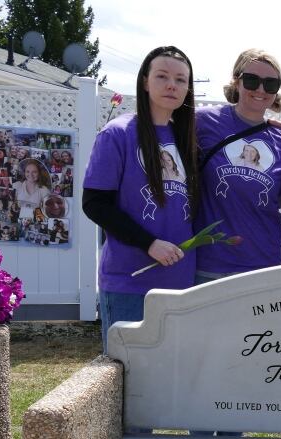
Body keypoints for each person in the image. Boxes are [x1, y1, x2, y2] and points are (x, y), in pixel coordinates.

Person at [82, 46, 200, 354]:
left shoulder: (186, 139)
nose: (171, 85)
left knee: (171, 376)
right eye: (162, 76)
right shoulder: (117, 134)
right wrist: (149, 243)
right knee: (128, 377)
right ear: (145, 81)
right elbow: (95, 203)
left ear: (188, 89)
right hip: (130, 282)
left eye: (180, 79)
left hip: (181, 283)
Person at [194, 48, 281, 284]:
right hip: (208, 264)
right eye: (252, 80)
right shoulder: (202, 123)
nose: (261, 89)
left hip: (262, 267)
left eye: (270, 84)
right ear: (236, 81)